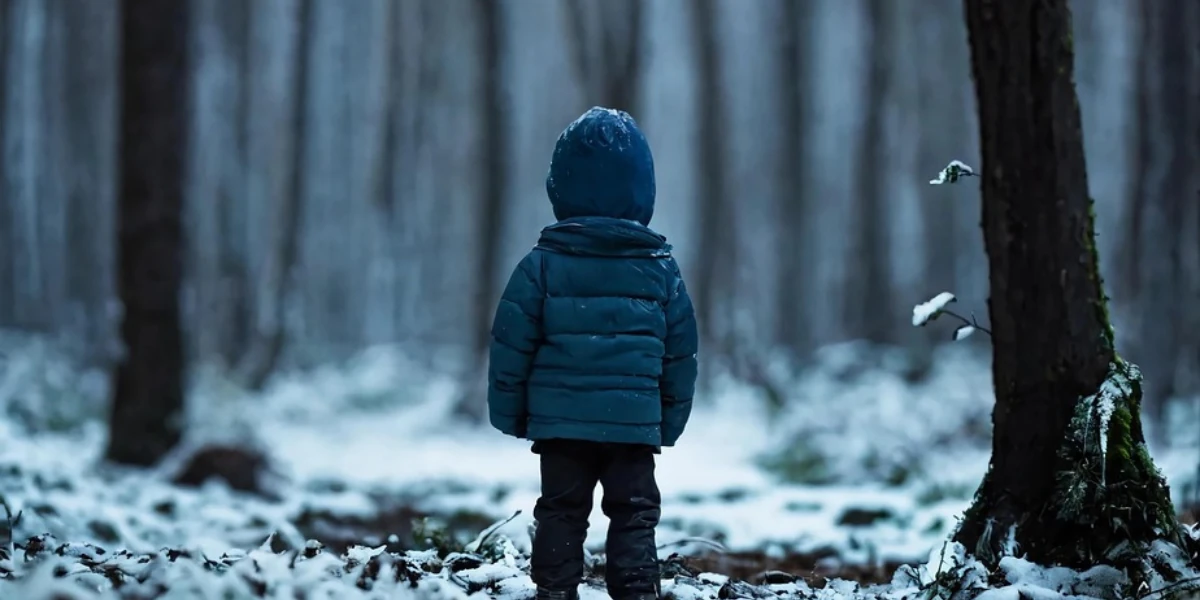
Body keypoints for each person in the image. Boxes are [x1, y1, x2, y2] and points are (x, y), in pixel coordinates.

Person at [486, 106, 699, 600]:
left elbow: (510, 346)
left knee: (561, 508)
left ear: (561, 189)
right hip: (631, 426)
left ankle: (556, 591)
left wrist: (511, 414)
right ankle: (637, 590)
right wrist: (666, 421)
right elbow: (680, 357)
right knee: (635, 510)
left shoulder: (540, 266)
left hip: (561, 425)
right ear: (643, 191)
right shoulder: (661, 272)